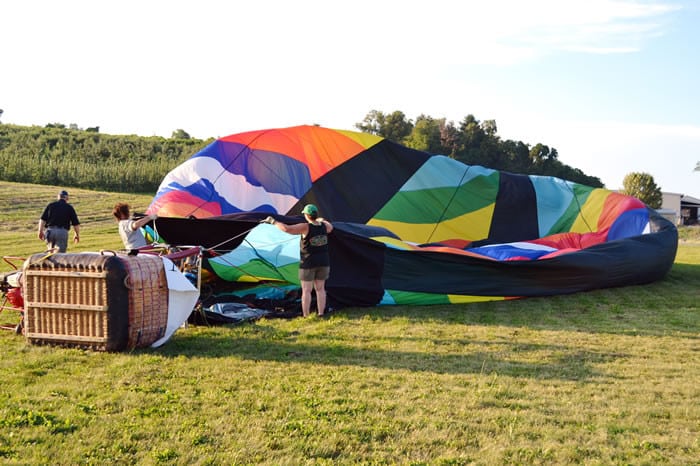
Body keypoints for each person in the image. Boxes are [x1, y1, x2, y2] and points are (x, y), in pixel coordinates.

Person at [262, 204, 333, 317]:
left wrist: (273, 222)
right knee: (320, 289)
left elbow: (287, 229)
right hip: (323, 262)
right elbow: (331, 227)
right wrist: (322, 220)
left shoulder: (306, 227)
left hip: (308, 263)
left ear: (307, 215)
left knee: (306, 290)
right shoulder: (324, 226)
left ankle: (306, 315)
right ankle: (321, 313)